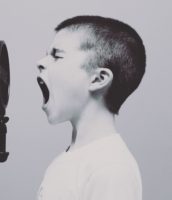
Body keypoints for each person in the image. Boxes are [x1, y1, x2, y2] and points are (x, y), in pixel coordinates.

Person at [36, 15, 146, 200]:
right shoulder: (69, 159)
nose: (40, 62)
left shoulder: (111, 168)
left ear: (98, 79)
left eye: (56, 56)